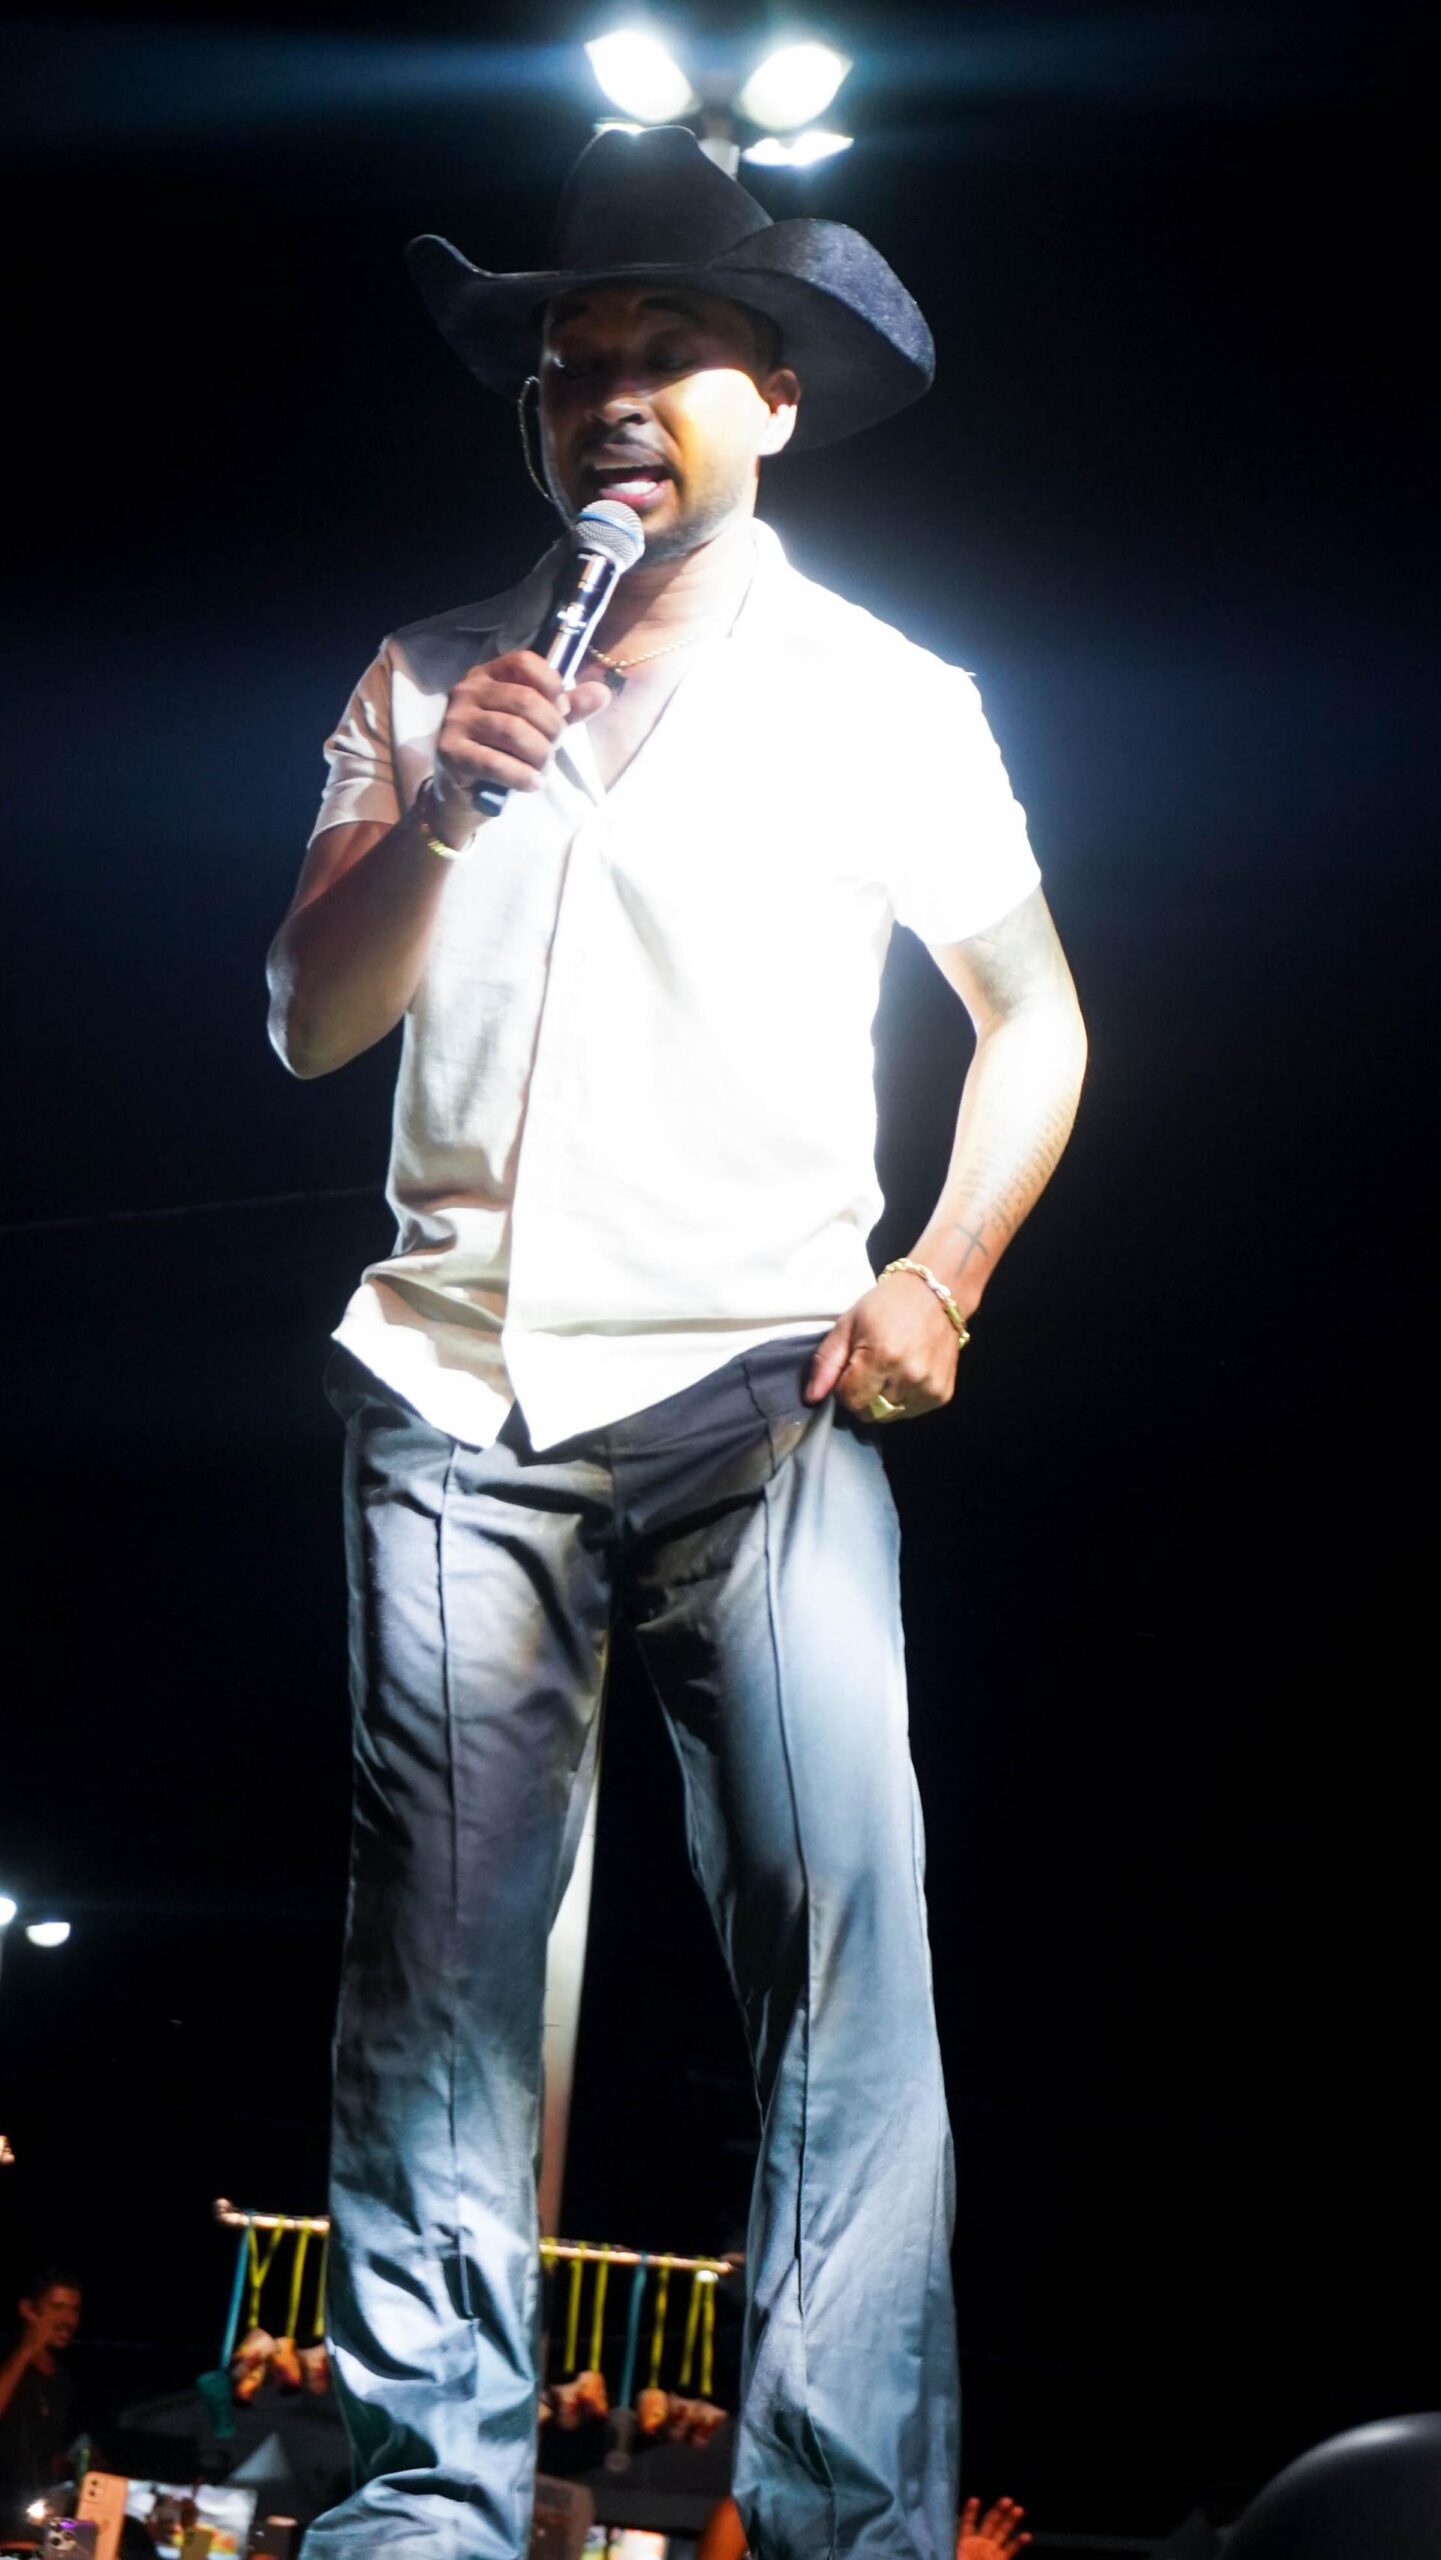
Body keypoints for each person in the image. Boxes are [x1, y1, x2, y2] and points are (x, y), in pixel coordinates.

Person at [267, 125, 1087, 2560]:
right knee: (434, 1986)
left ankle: (841, 2515)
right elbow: (307, 1018)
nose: (602, 391)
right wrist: (444, 810)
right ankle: (421, 2507)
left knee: (843, 1950)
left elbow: (1035, 1022)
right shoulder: (433, 672)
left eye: (662, 352)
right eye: (566, 361)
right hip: (456, 1393)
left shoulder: (887, 696)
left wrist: (942, 1269)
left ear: (775, 398)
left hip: (765, 1386)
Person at [0, 2270, 81, 2524]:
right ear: (28, 2309)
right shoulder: (6, 2356)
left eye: (74, 2310)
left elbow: (55, 2453)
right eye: (57, 2307)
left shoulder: (62, 2379)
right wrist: (27, 2349)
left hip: (34, 2515)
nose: (68, 2320)